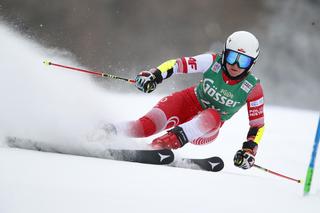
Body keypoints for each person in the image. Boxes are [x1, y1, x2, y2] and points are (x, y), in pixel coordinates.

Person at [107, 31, 265, 170]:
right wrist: (154, 75)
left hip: (205, 129)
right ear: (224, 54)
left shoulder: (252, 88)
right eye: (231, 57)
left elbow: (257, 126)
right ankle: (105, 131)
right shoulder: (212, 61)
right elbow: (176, 65)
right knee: (146, 125)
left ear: (251, 64)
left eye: (243, 61)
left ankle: (160, 145)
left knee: (213, 115)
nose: (235, 65)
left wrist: (249, 150)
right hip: (187, 101)